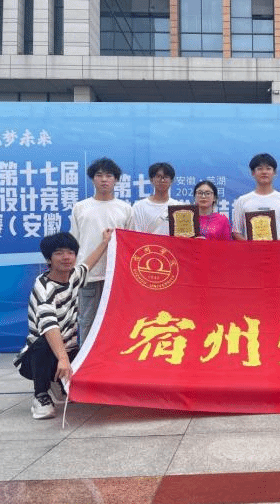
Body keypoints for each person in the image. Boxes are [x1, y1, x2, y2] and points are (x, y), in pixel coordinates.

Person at [13, 229, 113, 419]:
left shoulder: (73, 277)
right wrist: (63, 359)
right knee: (43, 343)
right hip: (36, 357)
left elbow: (88, 264)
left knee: (91, 357)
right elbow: (49, 326)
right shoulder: (44, 288)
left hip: (67, 349)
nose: (66, 257)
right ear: (49, 259)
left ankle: (59, 383)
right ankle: (41, 396)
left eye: (70, 252)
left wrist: (105, 242)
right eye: (59, 253)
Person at [69, 157, 132, 344]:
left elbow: (130, 244)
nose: (104, 179)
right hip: (88, 274)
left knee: (116, 321)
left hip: (116, 276)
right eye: (99, 175)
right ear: (92, 179)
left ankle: (112, 360)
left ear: (116, 180)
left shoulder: (125, 209)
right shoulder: (80, 207)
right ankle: (85, 360)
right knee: (87, 321)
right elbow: (74, 241)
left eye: (109, 175)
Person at [231, 153, 280, 241]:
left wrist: (277, 245)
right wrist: (249, 246)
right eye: (259, 169)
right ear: (253, 173)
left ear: (274, 173)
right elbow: (236, 232)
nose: (264, 172)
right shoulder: (242, 200)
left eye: (268, 168)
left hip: (278, 249)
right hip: (250, 249)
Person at [131, 162, 181, 235]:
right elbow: (135, 235)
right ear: (151, 179)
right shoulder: (139, 206)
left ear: (171, 181)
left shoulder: (178, 207)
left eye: (166, 177)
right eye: (158, 176)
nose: (162, 180)